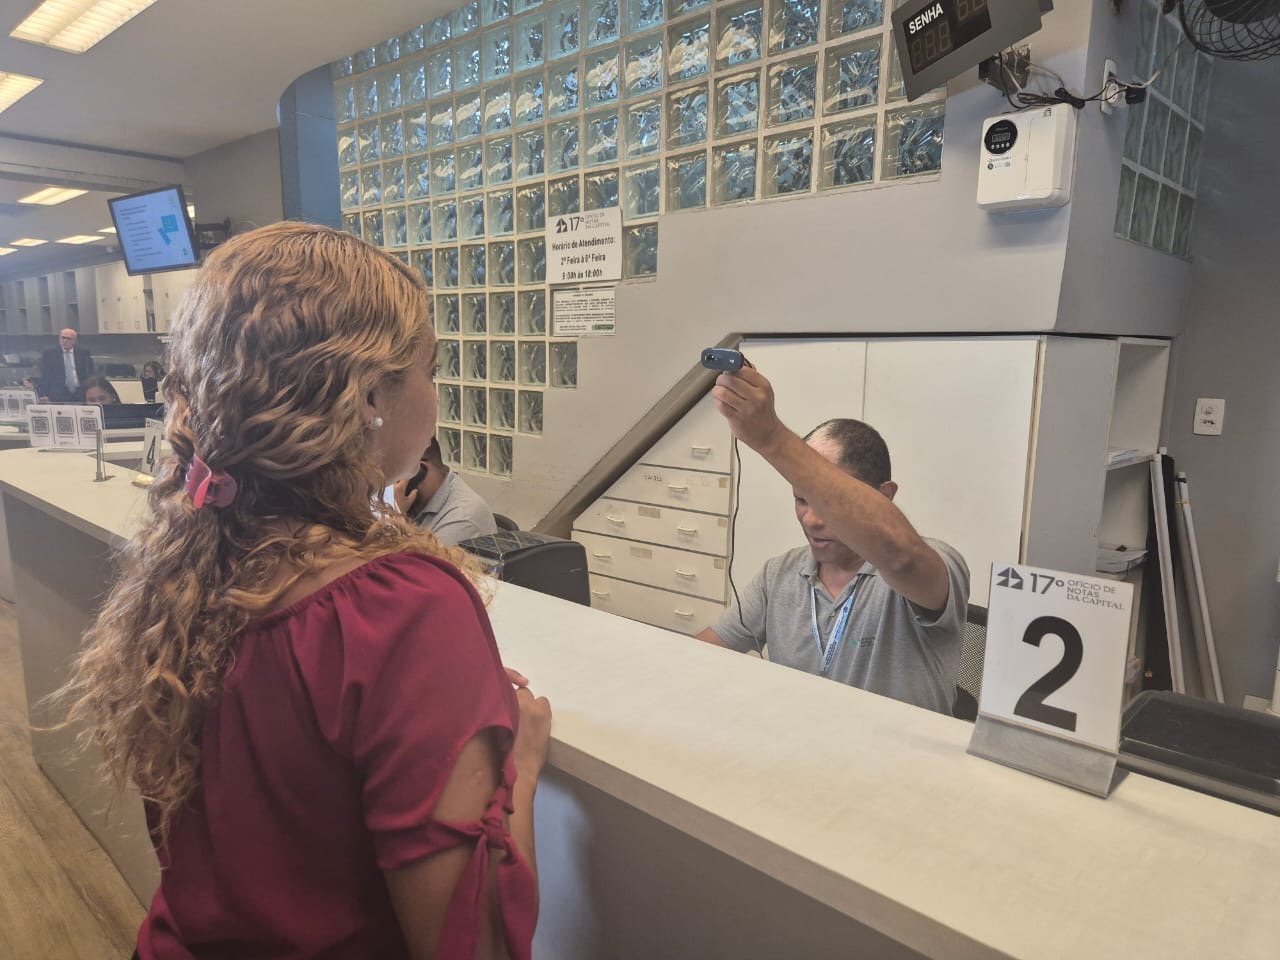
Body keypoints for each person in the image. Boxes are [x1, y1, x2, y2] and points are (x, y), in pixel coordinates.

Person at [59, 223, 551, 960]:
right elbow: (471, 944)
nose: (435, 392)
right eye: (430, 368)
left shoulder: (188, 557)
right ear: (372, 396)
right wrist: (520, 771)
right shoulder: (402, 607)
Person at [697, 365, 969, 715]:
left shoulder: (935, 563)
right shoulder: (780, 574)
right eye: (801, 499)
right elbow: (703, 651)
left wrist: (770, 437)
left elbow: (901, 557)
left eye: (829, 504)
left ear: (884, 495)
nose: (811, 519)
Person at [393, 437, 498, 546]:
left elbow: (411, 562)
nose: (391, 486)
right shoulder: (413, 503)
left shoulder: (462, 519)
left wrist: (394, 518)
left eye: (393, 477)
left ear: (419, 471)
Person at [38, 327, 94, 402]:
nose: (65, 340)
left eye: (68, 338)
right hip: (58, 392)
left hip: (80, 391)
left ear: (74, 341)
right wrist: (43, 394)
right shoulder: (49, 353)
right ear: (59, 339)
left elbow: (90, 373)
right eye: (63, 338)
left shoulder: (83, 352)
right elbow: (45, 376)